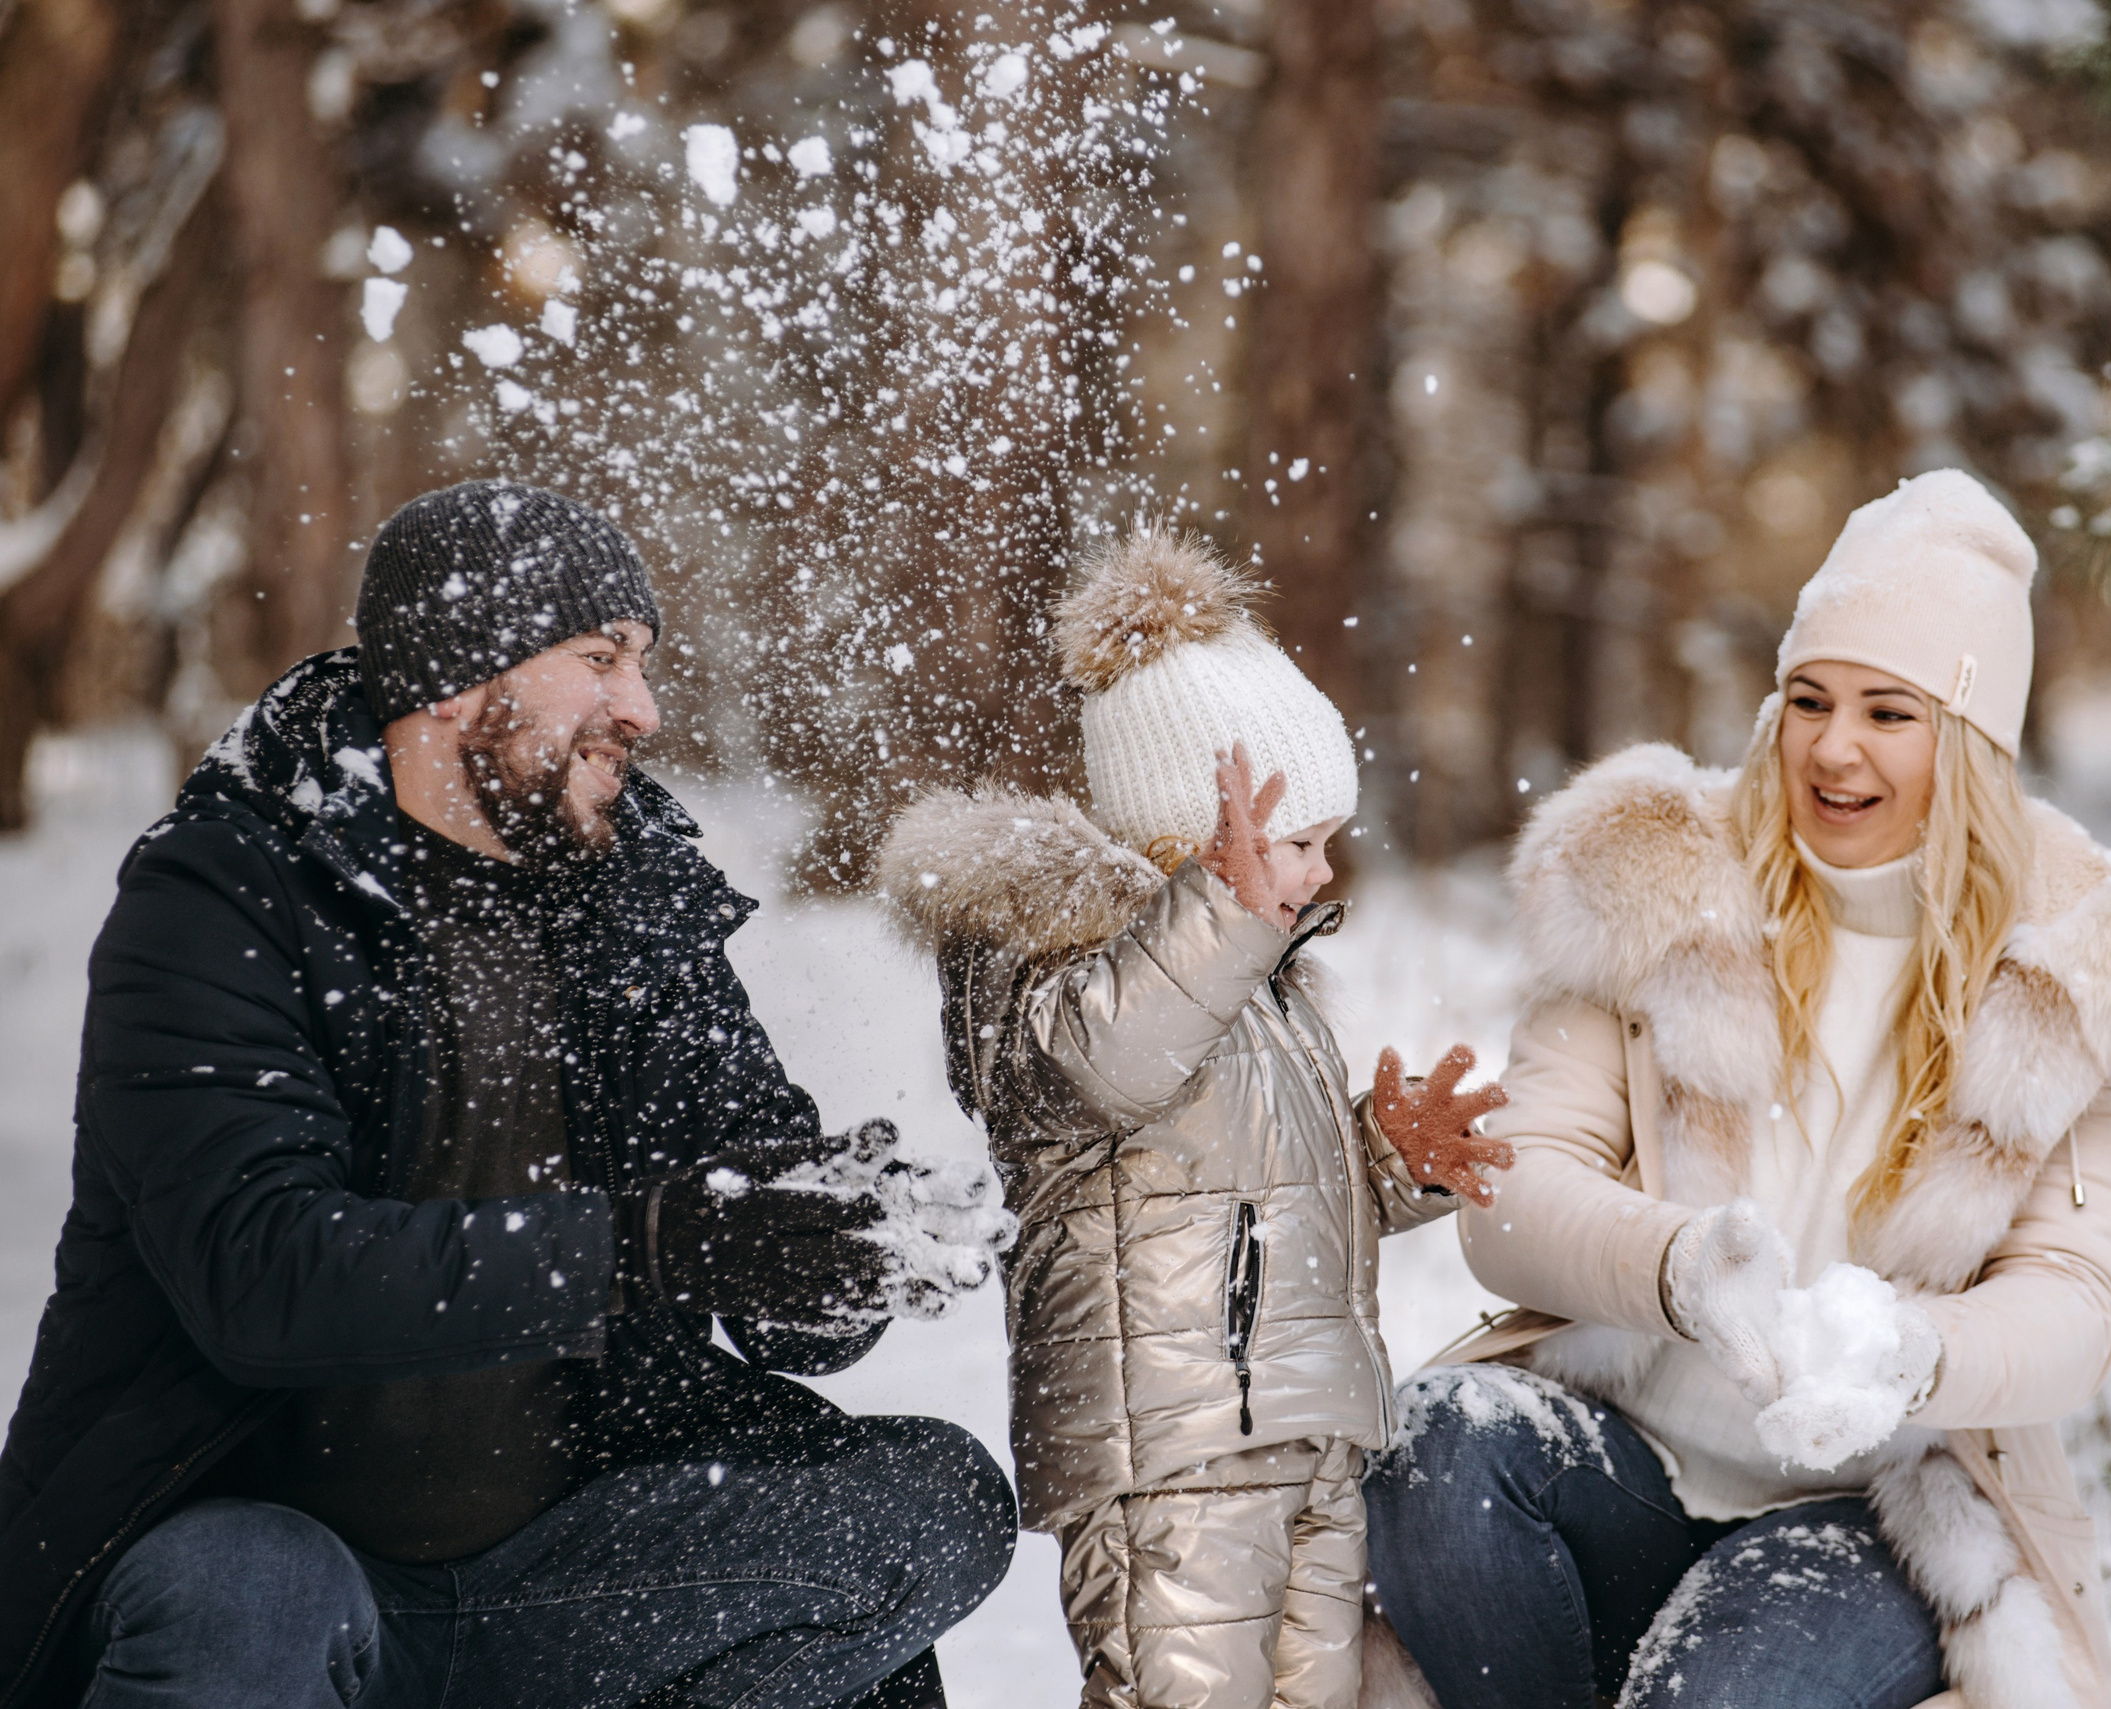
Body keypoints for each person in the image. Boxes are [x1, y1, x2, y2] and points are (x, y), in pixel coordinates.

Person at [0, 481, 1021, 1709]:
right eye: (599, 658)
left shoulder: (630, 899)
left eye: (639, 661)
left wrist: (830, 1250)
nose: (637, 707)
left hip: (556, 1581)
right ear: (456, 674)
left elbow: (745, 1227)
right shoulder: (227, 899)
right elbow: (262, 1275)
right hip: (270, 1557)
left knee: (932, 1504)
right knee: (253, 1588)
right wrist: (649, 1249)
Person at [1362, 470, 2111, 1709]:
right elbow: (1509, 1198)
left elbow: (2073, 1307)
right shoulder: (1657, 886)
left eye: (1890, 711)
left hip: (1864, 1513)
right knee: (1436, 1442)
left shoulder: (2080, 973)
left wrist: (1908, 1348)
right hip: (1619, 1460)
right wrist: (1676, 1266)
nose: (1833, 747)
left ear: (1971, 740)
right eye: (1809, 699)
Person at [875, 530, 1514, 1709]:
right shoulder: (1048, 954)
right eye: (1300, 841)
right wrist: (1221, 915)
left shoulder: (1264, 990)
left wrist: (1386, 1156)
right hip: (1172, 1441)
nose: (1324, 874)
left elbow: (1253, 1182)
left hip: (1310, 1426)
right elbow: (1092, 1075)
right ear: (1191, 836)